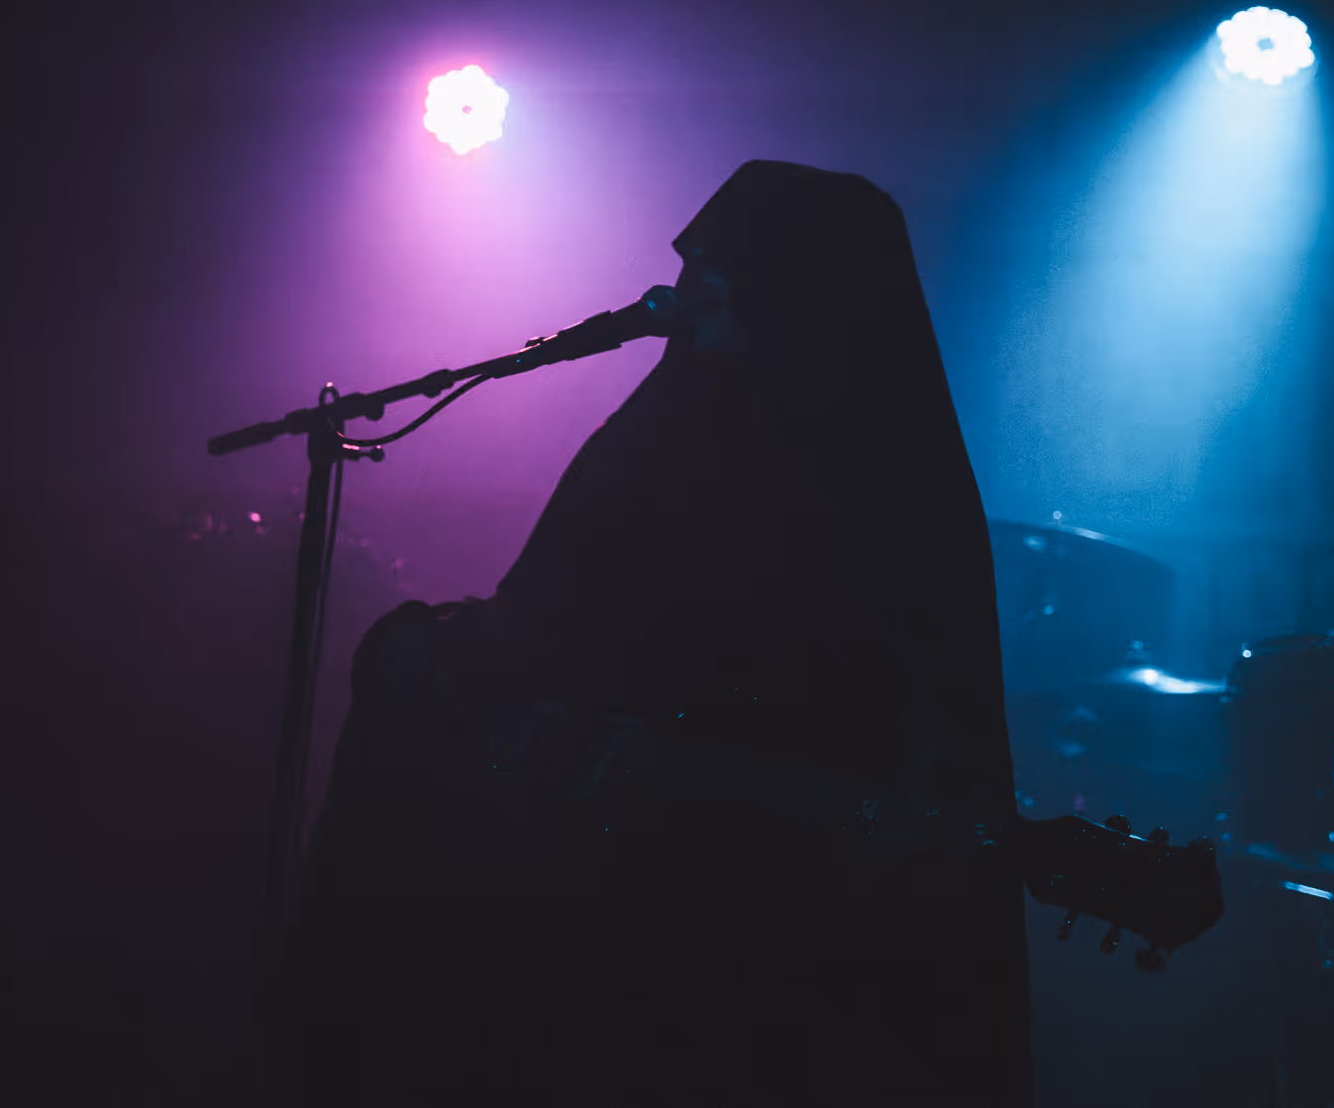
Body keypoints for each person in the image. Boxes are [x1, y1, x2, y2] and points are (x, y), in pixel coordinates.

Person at [279, 161, 1030, 1106]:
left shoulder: (883, 482)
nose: (693, 284)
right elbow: (546, 620)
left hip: (757, 959)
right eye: (696, 262)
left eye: (727, 266)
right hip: (591, 912)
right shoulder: (657, 432)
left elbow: (901, 727)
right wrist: (438, 658)